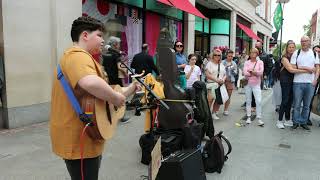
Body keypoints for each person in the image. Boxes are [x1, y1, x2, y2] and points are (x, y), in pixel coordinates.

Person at [50, 16, 140, 180]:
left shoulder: (85, 58)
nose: (102, 40)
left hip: (87, 136)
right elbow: (90, 83)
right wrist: (115, 98)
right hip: (79, 140)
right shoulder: (77, 55)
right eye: (99, 35)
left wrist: (131, 88)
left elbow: (102, 94)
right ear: (85, 35)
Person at [276, 40, 312, 129]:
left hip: (293, 81)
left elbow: (298, 66)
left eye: (293, 47)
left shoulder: (296, 56)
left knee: (290, 101)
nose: (291, 49)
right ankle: (279, 121)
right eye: (289, 47)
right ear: (286, 48)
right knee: (285, 100)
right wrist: (307, 70)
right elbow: (291, 70)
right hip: (285, 81)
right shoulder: (284, 58)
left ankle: (287, 119)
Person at [290, 36, 320, 130]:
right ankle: (295, 122)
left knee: (307, 105)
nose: (303, 43)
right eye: (302, 41)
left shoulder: (314, 53)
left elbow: (317, 68)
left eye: (305, 41)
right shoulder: (296, 52)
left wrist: (315, 79)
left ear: (309, 42)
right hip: (297, 82)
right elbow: (293, 67)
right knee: (297, 104)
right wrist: (308, 68)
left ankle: (303, 122)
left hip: (310, 83)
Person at [243, 48, 264, 126]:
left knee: (258, 101)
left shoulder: (260, 62)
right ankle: (248, 116)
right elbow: (245, 72)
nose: (253, 54)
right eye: (251, 52)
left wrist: (252, 72)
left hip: (256, 84)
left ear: (257, 54)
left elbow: (261, 72)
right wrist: (254, 73)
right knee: (248, 101)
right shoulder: (246, 62)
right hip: (248, 84)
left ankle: (259, 117)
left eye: (255, 52)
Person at [205, 49, 226, 120]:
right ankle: (207, 114)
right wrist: (216, 80)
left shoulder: (222, 64)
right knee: (210, 99)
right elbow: (207, 74)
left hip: (220, 84)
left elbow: (225, 74)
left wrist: (223, 80)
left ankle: (214, 113)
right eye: (215, 55)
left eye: (219, 55)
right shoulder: (209, 64)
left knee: (218, 100)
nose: (217, 56)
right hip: (212, 84)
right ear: (212, 55)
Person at [222, 50, 237, 115]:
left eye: (231, 56)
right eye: (229, 56)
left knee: (228, 96)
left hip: (230, 81)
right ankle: (215, 110)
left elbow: (236, 73)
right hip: (223, 81)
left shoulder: (234, 63)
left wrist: (232, 70)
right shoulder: (222, 62)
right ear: (226, 56)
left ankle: (225, 109)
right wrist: (226, 68)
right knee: (220, 95)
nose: (230, 57)